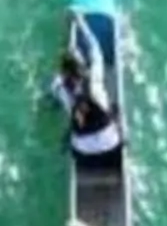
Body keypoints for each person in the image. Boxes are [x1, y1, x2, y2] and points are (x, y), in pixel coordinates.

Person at [50, 14, 123, 168]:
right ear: (82, 67)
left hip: (83, 153)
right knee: (114, 107)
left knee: (70, 126)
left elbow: (55, 86)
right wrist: (80, 20)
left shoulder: (61, 87)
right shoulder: (94, 79)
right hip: (111, 146)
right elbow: (94, 47)